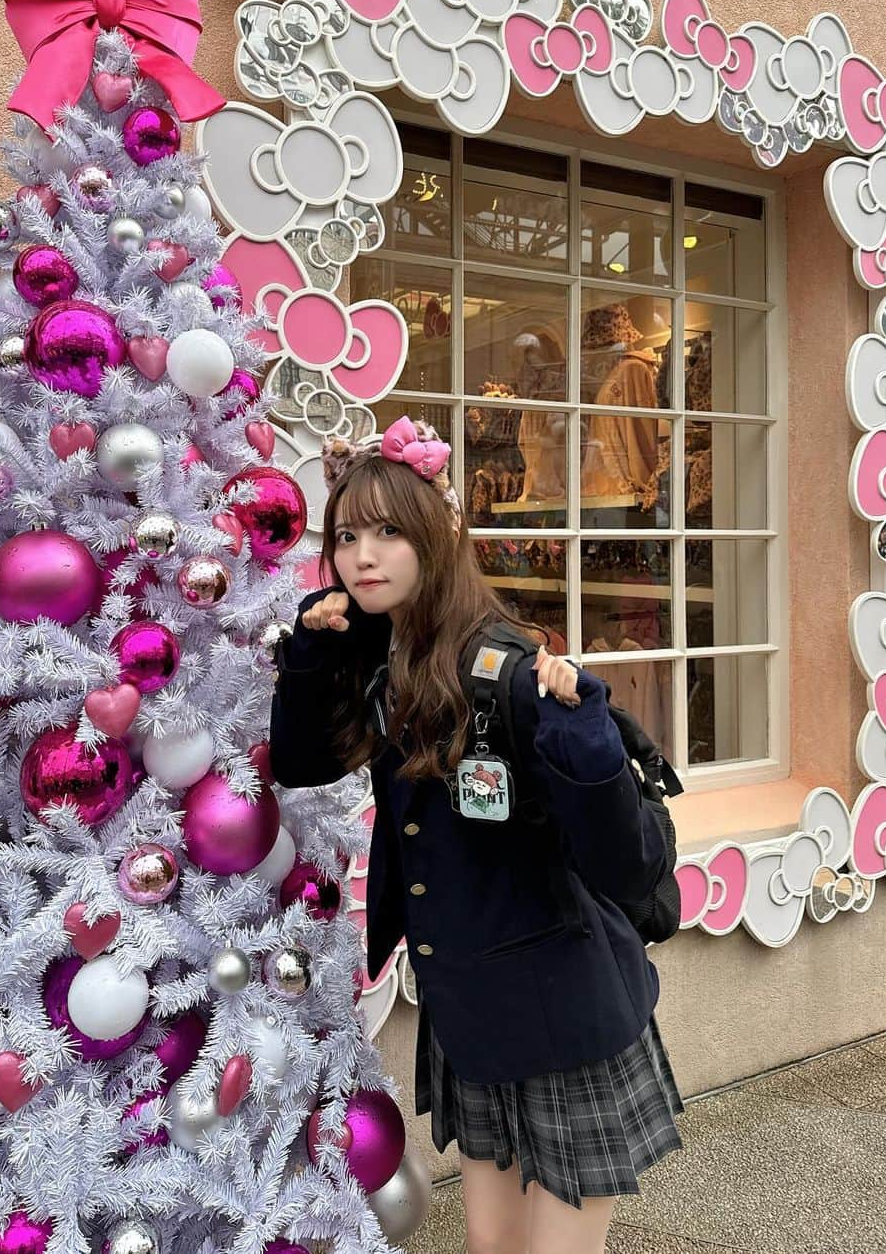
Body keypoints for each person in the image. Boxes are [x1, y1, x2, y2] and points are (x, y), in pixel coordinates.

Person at [268, 415, 684, 1254]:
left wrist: (586, 742)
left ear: (437, 537)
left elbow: (627, 862)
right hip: (473, 1009)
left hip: (564, 1012)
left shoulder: (508, 671)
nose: (363, 556)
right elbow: (301, 763)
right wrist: (311, 657)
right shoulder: (385, 656)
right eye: (347, 534)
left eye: (389, 532)